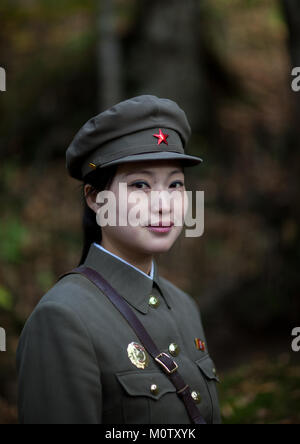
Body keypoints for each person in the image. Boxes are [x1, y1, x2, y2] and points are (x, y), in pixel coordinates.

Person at [16, 95, 221, 424]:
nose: (164, 204)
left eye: (175, 185)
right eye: (140, 184)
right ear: (96, 199)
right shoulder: (63, 319)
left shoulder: (184, 307)